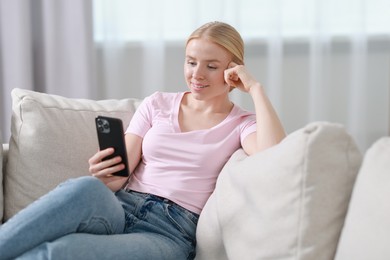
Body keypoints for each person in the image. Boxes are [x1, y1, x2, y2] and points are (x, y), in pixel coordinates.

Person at [0, 21, 285, 260]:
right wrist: (104, 173)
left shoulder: (241, 123)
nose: (196, 74)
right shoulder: (157, 103)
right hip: (121, 207)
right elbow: (118, 178)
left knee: (60, 252)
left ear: (233, 70)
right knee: (86, 188)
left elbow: (273, 154)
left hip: (168, 231)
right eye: (191, 62)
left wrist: (255, 88)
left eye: (211, 66)